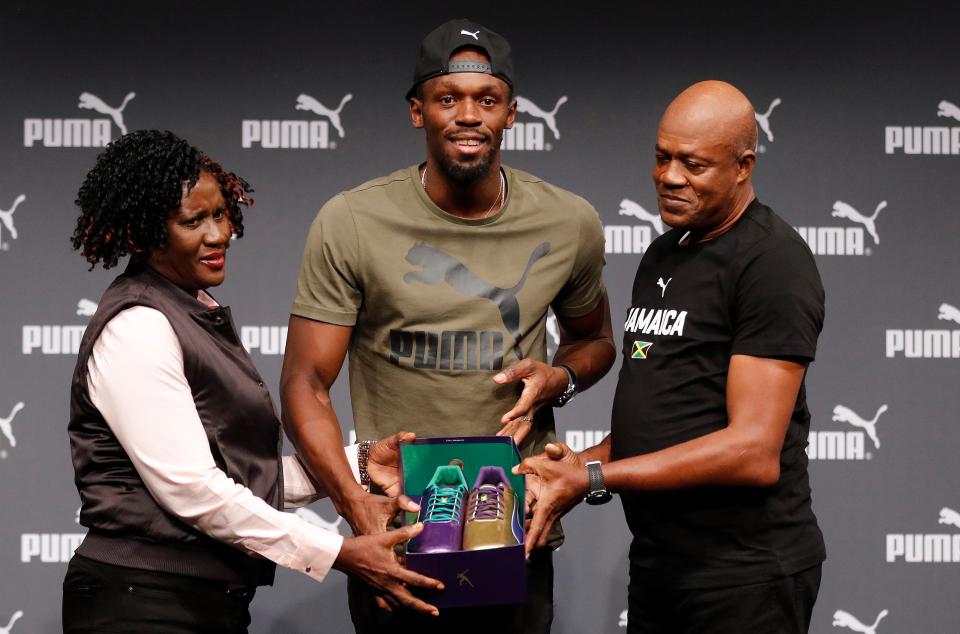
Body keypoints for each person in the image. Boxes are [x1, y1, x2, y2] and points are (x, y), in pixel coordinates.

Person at [280, 18, 615, 633]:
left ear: (511, 114)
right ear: (418, 111)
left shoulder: (569, 223)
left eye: (486, 100)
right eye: (447, 98)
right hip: (398, 533)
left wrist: (558, 378)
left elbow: (595, 342)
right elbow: (304, 383)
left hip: (515, 524)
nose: (468, 115)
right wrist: (359, 512)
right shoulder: (353, 220)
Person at [64, 130, 442, 634]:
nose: (218, 234)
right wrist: (336, 552)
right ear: (141, 235)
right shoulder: (139, 324)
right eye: (192, 221)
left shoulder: (192, 308)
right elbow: (194, 491)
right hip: (142, 602)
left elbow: (241, 480)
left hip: (198, 601)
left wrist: (361, 463)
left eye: (220, 214)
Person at [516, 80, 827, 634]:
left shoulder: (772, 263)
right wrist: (583, 463)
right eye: (662, 158)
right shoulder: (665, 252)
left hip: (744, 575)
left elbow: (754, 451)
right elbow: (665, 420)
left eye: (694, 164)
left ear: (743, 166)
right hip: (661, 567)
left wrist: (595, 480)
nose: (670, 177)